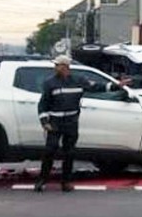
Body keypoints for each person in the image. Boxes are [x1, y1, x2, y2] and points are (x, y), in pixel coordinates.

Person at [35, 55, 128, 192]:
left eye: (58, 65)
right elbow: (43, 104)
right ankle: (41, 180)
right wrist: (44, 121)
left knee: (69, 153)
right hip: (55, 122)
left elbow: (96, 87)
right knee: (50, 150)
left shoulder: (78, 80)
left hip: (71, 122)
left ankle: (66, 182)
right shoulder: (50, 83)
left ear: (65, 66)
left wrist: (116, 85)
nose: (55, 67)